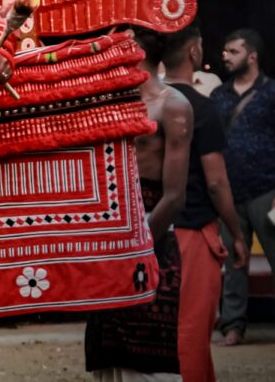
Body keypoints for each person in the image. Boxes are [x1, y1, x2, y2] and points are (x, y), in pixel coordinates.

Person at [86, 28, 193, 380]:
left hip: (151, 237)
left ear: (133, 51)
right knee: (109, 354)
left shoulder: (173, 105)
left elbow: (174, 197)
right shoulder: (110, 103)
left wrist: (135, 245)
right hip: (109, 237)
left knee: (151, 357)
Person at [162, 25, 248, 381]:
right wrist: (236, 233)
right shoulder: (200, 107)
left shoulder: (146, 103)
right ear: (195, 53)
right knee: (192, 331)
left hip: (150, 233)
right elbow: (216, 182)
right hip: (192, 234)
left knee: (161, 332)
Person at [211, 28, 275, 346]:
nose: (225, 56)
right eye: (224, 51)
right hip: (229, 192)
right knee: (234, 263)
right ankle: (233, 325)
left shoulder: (272, 92)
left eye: (233, 51)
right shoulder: (219, 97)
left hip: (267, 190)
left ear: (252, 56)